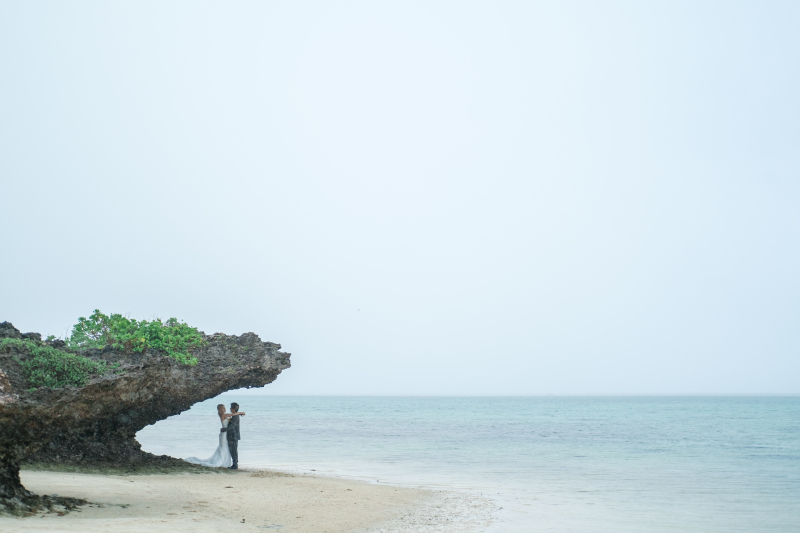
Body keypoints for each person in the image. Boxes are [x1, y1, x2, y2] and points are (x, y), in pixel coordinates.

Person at [184, 404, 245, 468]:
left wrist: (238, 413)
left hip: (225, 433)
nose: (225, 409)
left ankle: (227, 462)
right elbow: (232, 415)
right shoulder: (223, 415)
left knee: (225, 448)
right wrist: (240, 413)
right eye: (223, 408)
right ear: (221, 409)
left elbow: (232, 416)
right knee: (223, 448)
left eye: (225, 408)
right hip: (224, 433)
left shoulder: (223, 414)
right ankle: (223, 461)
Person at [221, 402, 243, 469]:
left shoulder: (235, 416)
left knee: (233, 450)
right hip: (233, 436)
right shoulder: (234, 415)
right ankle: (234, 463)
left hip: (233, 436)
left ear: (233, 409)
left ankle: (235, 464)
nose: (230, 408)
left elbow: (232, 426)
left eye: (231, 407)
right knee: (233, 450)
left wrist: (224, 429)